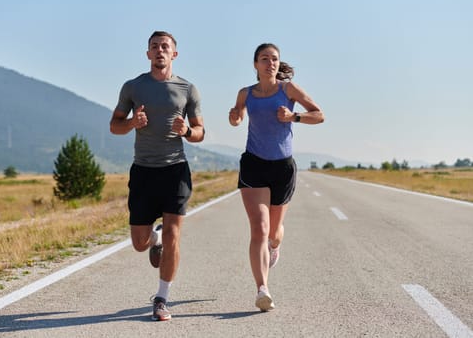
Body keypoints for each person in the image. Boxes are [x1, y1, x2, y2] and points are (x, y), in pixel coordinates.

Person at [110, 31, 205, 321]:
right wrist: (132, 123)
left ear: (174, 54)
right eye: (155, 47)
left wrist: (186, 131)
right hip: (143, 171)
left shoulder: (187, 89)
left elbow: (200, 131)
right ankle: (155, 238)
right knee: (139, 242)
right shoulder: (133, 87)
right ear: (148, 54)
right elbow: (114, 125)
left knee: (175, 233)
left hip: (175, 169)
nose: (160, 50)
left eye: (165, 47)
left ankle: (162, 299)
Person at [228, 43, 324, 312]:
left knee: (273, 234)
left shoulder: (288, 89)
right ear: (255, 64)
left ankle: (274, 247)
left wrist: (294, 117)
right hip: (254, 164)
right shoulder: (246, 93)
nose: (270, 63)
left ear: (278, 64)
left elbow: (319, 114)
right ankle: (262, 290)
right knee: (258, 228)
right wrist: (234, 116)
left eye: (274, 59)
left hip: (282, 168)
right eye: (264, 59)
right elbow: (237, 117)